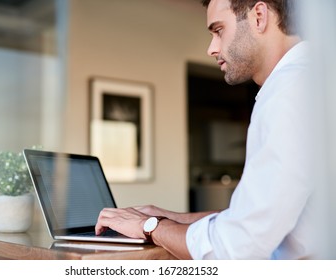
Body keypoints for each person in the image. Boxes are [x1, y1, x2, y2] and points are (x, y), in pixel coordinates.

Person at [95, 0, 321, 259]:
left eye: (218, 30)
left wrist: (149, 227)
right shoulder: (310, 81)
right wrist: (171, 218)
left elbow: (237, 247)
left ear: (259, 16)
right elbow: (259, 220)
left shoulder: (288, 92)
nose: (211, 48)